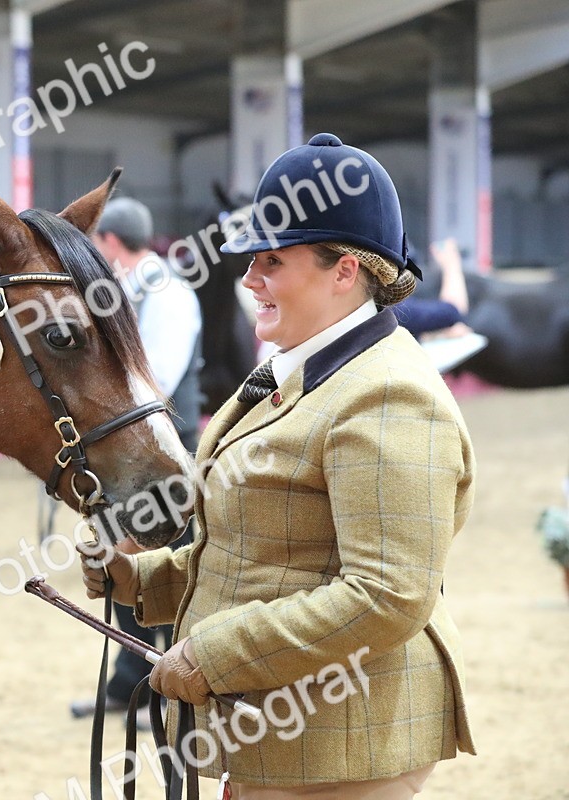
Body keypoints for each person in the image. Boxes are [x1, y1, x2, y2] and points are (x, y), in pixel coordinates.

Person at [80, 133, 476, 799]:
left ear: (346, 270)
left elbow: (386, 595)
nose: (249, 279)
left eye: (273, 261)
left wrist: (217, 654)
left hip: (347, 743)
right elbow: (260, 555)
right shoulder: (291, 372)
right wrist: (137, 578)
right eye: (251, 259)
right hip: (287, 731)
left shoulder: (388, 397)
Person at [68, 196, 203, 727]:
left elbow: (159, 382)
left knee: (159, 563)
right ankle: (130, 681)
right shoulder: (125, 292)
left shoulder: (167, 293)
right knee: (122, 567)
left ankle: (164, 688)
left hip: (161, 454)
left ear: (109, 243)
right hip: (124, 454)